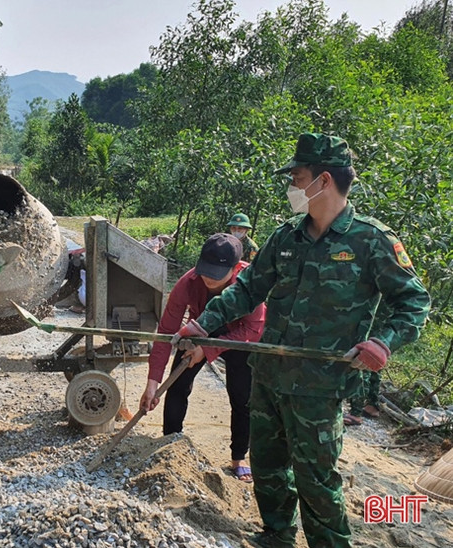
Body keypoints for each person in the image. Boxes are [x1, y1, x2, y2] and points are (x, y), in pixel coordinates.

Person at [172, 133, 431, 547]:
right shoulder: (284, 237)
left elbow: (414, 302)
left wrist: (383, 343)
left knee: (316, 478)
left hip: (320, 385)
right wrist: (204, 324)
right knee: (269, 466)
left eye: (297, 177)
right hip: (270, 376)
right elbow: (247, 289)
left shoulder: (370, 241)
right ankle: (276, 535)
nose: (293, 186)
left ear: (323, 180)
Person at [140, 233, 265, 483]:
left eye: (217, 273)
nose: (209, 278)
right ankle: (170, 442)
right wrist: (152, 382)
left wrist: (208, 352)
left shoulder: (249, 281)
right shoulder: (188, 282)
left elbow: (254, 329)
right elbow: (166, 332)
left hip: (241, 336)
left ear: (235, 267)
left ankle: (239, 457)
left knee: (242, 397)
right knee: (177, 387)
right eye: (206, 271)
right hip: (200, 329)